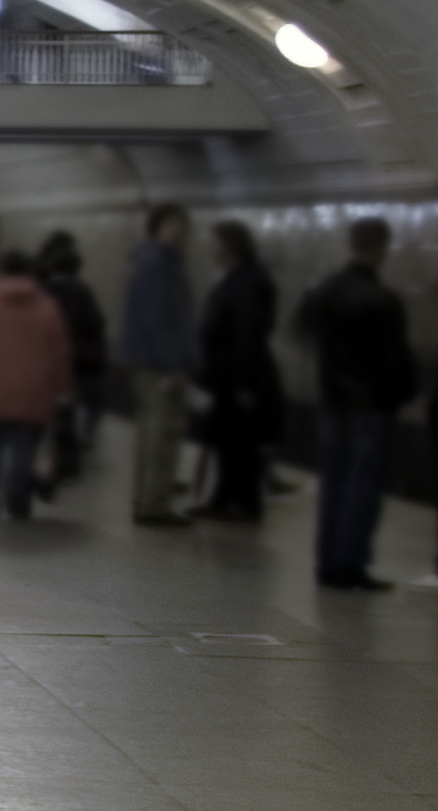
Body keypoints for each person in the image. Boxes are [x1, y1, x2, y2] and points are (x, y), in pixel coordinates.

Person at [296, 217, 418, 590]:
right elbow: (396, 362)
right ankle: (351, 564)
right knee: (363, 483)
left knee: (333, 479)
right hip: (372, 405)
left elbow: (302, 332)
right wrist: (405, 395)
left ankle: (327, 562)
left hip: (332, 399)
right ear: (381, 247)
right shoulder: (384, 300)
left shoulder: (322, 291)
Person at [0, 256, 74, 520]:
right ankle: (18, 502)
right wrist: (63, 388)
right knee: (23, 450)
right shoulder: (48, 307)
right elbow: (59, 352)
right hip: (33, 391)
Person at [201, 220, 284, 521]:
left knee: (243, 440)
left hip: (242, 374)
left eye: (213, 241)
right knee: (226, 439)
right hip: (228, 373)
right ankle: (224, 497)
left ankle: (246, 503)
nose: (209, 248)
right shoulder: (238, 277)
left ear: (229, 245)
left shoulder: (249, 280)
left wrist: (243, 381)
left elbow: (247, 332)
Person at [119, 206, 196, 526]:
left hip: (146, 360)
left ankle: (147, 498)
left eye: (182, 224)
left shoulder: (153, 261)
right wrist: (173, 364)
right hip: (157, 364)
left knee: (151, 432)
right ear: (157, 228)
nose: (178, 230)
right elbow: (158, 319)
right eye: (171, 223)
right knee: (162, 434)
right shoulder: (157, 264)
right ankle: (154, 504)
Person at [39, 235, 110, 487]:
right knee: (82, 405)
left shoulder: (43, 290)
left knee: (58, 409)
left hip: (52, 357)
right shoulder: (82, 290)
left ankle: (55, 457)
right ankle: (75, 453)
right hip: (82, 358)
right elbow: (96, 322)